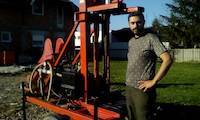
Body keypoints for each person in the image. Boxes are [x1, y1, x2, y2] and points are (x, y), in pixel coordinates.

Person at [125, 11, 172, 120]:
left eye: (138, 22)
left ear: (144, 22)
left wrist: (153, 82)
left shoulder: (151, 38)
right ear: (129, 24)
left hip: (143, 90)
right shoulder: (131, 41)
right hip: (128, 87)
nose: (135, 26)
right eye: (132, 23)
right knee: (131, 117)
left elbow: (168, 59)